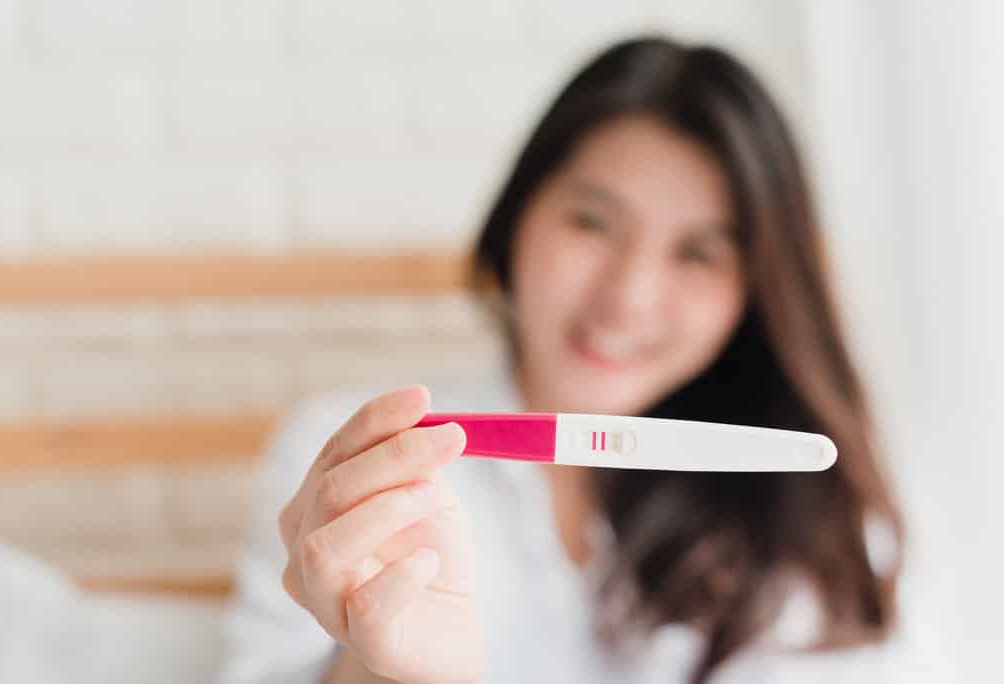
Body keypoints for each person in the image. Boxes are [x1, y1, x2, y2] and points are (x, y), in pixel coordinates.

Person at [217, 36, 920, 684]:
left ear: (757, 292)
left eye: (698, 254)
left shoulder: (814, 513)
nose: (628, 298)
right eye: (592, 223)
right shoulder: (352, 464)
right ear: (519, 214)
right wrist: (388, 671)